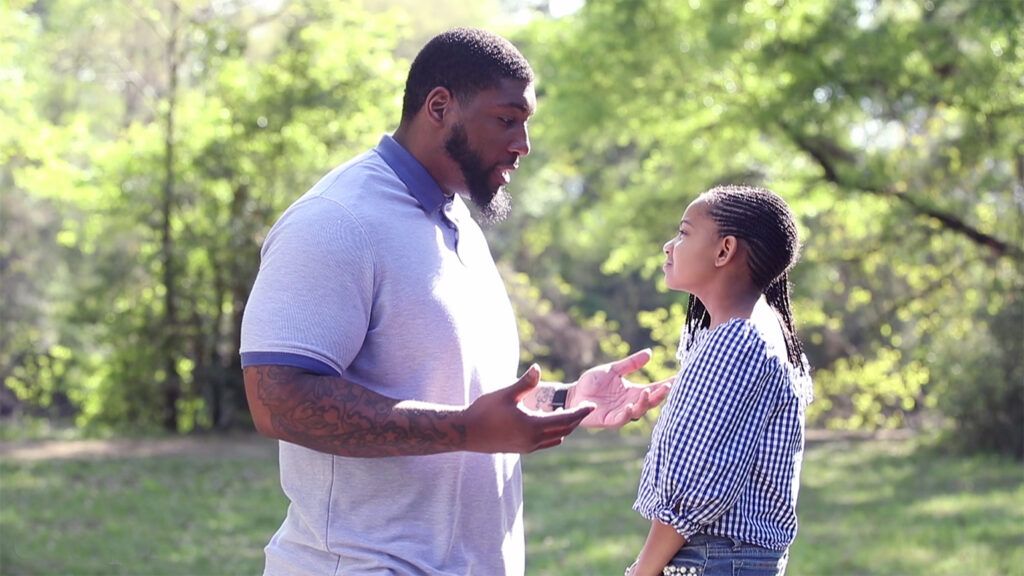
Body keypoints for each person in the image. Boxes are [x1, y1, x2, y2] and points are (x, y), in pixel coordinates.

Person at [239, 28, 670, 575]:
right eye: (506, 119)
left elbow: (464, 398)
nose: (523, 144)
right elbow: (278, 399)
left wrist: (564, 401)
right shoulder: (335, 220)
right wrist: (463, 429)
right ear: (439, 106)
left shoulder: (460, 223)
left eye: (527, 123)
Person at [625, 185, 814, 576]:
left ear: (724, 250)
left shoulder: (737, 340)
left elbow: (696, 483)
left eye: (684, 233)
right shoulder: (757, 331)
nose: (669, 245)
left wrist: (643, 570)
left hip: (716, 559)